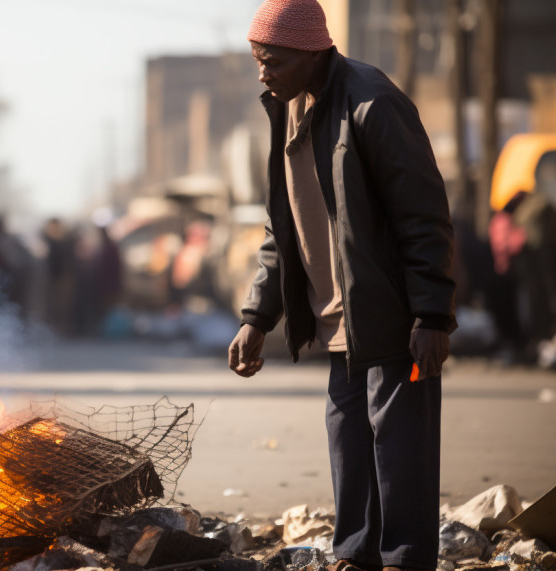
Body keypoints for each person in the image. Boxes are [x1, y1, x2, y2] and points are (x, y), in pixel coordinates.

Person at [227, 2, 456, 571]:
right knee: (350, 452)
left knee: (399, 454)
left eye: (272, 61)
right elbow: (282, 229)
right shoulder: (286, 107)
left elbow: (423, 216)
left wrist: (430, 316)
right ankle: (356, 558)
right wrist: (257, 317)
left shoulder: (372, 104)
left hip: (392, 320)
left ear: (310, 53)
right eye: (258, 61)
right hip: (338, 323)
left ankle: (404, 561)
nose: (263, 73)